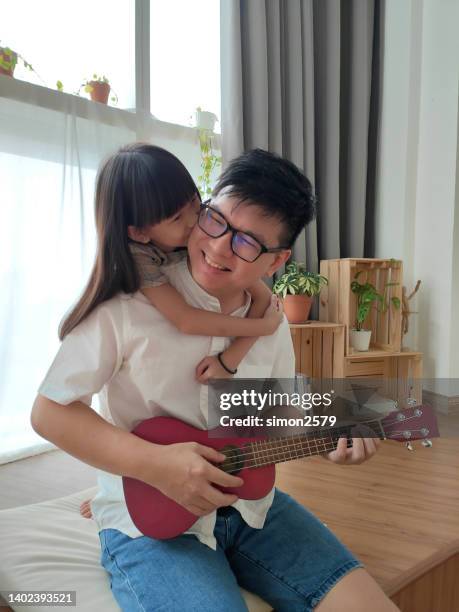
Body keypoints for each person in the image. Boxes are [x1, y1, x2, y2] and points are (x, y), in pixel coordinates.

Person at [31, 146, 399, 611]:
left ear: (275, 261)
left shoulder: (270, 319)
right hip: (151, 525)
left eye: (247, 242)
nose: (219, 246)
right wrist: (154, 466)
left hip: (252, 509)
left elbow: (272, 408)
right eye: (215, 220)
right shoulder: (128, 305)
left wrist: (331, 440)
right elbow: (49, 412)